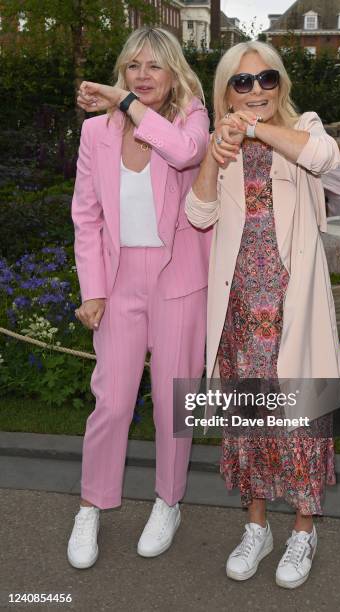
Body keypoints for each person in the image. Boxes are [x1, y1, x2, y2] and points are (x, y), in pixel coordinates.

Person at [185, 41, 340, 589]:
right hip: (240, 308)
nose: (257, 91)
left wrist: (254, 129)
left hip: (293, 301)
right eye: (243, 83)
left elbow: (327, 158)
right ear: (225, 90)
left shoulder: (303, 126)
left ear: (281, 84)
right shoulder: (221, 143)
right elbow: (199, 213)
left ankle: (303, 530)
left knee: (301, 419)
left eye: (267, 79)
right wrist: (214, 151)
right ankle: (257, 527)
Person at [68, 27, 210, 569]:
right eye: (132, 67)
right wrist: (94, 289)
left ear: (173, 73)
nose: (143, 76)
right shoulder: (95, 134)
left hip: (178, 279)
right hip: (121, 277)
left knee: (176, 401)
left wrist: (126, 104)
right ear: (122, 71)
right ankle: (91, 506)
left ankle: (168, 501)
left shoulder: (189, 120)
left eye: (154, 66)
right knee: (112, 401)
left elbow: (183, 154)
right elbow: (86, 216)